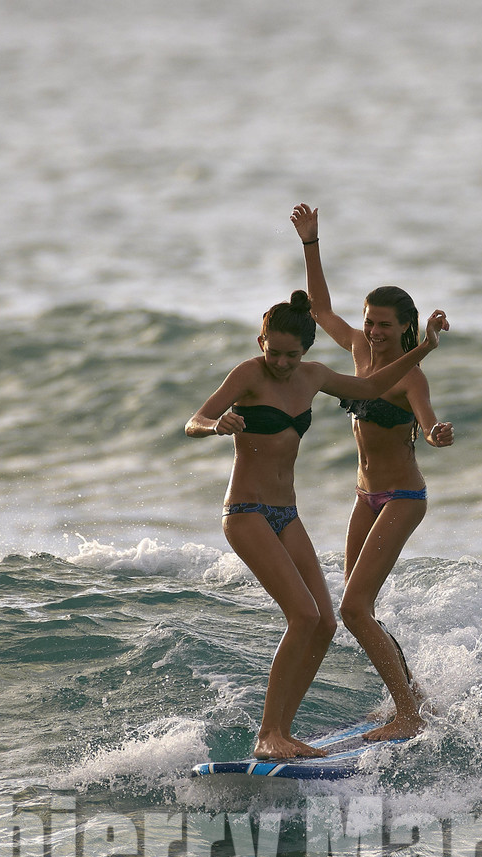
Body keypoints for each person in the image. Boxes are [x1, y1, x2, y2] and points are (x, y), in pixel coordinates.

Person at [187, 290, 448, 759]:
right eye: (275, 351)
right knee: (305, 616)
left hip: (287, 514)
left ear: (305, 351)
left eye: (292, 354)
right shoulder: (248, 373)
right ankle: (269, 733)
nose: (282, 363)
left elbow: (368, 390)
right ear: (261, 340)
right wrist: (215, 425)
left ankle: (282, 733)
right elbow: (195, 419)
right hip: (245, 512)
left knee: (327, 621)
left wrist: (425, 348)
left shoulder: (313, 377)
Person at [291, 203, 453, 741]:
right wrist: (311, 243)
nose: (374, 331)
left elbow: (427, 425)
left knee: (355, 609)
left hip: (403, 498)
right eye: (370, 321)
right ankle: (414, 699)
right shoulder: (358, 348)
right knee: (356, 607)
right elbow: (318, 310)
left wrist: (435, 434)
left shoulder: (412, 378)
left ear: (407, 329)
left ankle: (409, 714)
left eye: (385, 325)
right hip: (365, 498)